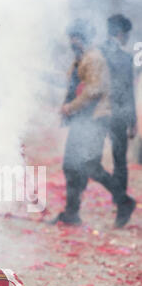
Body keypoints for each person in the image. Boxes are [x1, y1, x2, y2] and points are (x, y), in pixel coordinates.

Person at [51, 19, 136, 228]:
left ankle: (124, 201)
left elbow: (94, 90)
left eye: (74, 37)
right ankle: (72, 213)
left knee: (90, 166)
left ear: (81, 38)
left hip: (95, 119)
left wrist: (70, 108)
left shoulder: (94, 58)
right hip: (82, 121)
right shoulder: (81, 59)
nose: (71, 42)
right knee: (72, 165)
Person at [101, 14, 137, 196]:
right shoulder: (124, 58)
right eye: (127, 34)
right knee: (119, 161)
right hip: (115, 114)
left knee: (89, 161)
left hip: (100, 114)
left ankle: (121, 200)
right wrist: (132, 121)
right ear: (121, 33)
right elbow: (128, 91)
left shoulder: (95, 51)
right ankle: (121, 199)